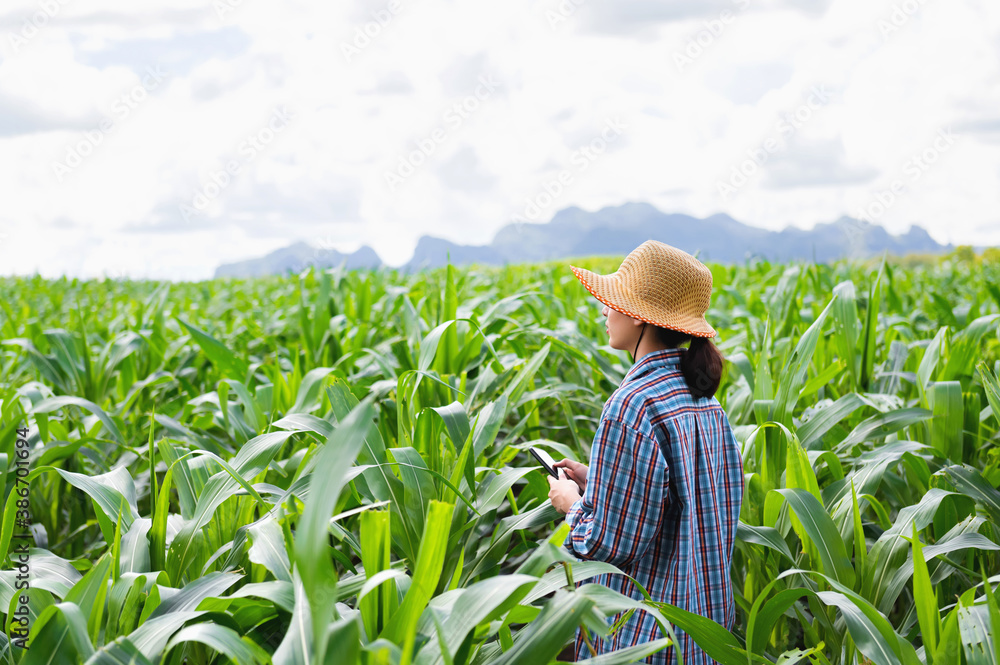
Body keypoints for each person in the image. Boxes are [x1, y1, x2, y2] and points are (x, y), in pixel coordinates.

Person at [547, 239, 744, 665]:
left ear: (639, 317)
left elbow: (606, 543)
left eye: (613, 301)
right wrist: (598, 478)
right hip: (705, 634)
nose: (604, 310)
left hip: (645, 640)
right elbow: (684, 502)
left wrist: (572, 504)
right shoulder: (705, 401)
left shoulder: (632, 406)